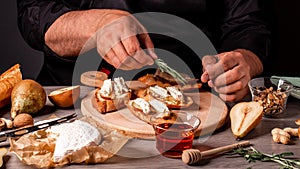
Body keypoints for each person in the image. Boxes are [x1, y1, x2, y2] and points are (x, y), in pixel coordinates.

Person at [16, 0, 272, 102]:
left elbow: (246, 21)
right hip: (74, 103)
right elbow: (35, 17)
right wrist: (98, 24)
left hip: (195, 102)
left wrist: (246, 60)